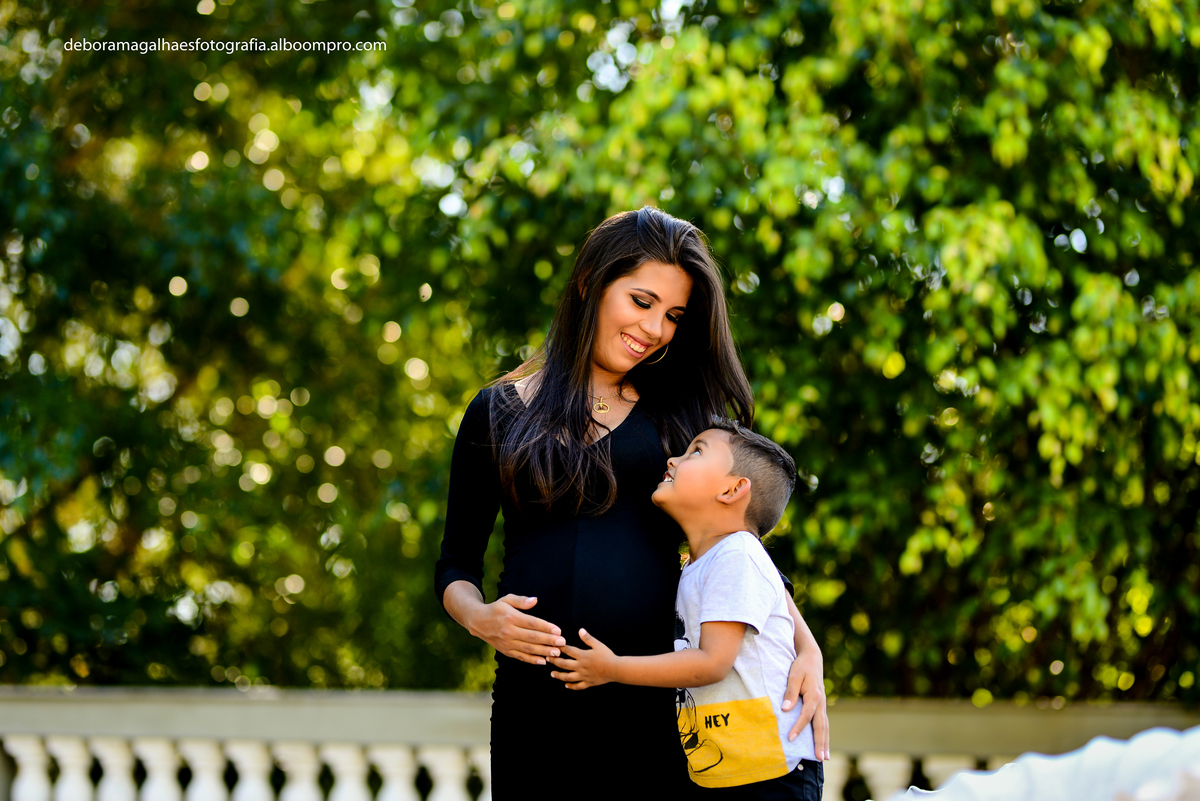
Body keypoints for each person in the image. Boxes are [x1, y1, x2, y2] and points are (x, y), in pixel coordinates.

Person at [434, 206, 828, 797]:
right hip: (533, 709)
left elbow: (738, 547)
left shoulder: (680, 417)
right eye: (641, 302)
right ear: (591, 283)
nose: (655, 329)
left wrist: (809, 649)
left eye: (672, 315)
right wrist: (480, 618)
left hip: (654, 704)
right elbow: (455, 564)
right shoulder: (495, 412)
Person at [547, 418, 823, 799]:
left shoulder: (737, 554)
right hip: (727, 773)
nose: (673, 459)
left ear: (732, 489)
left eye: (695, 451)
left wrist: (612, 668)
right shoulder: (698, 564)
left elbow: (712, 662)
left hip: (772, 772)